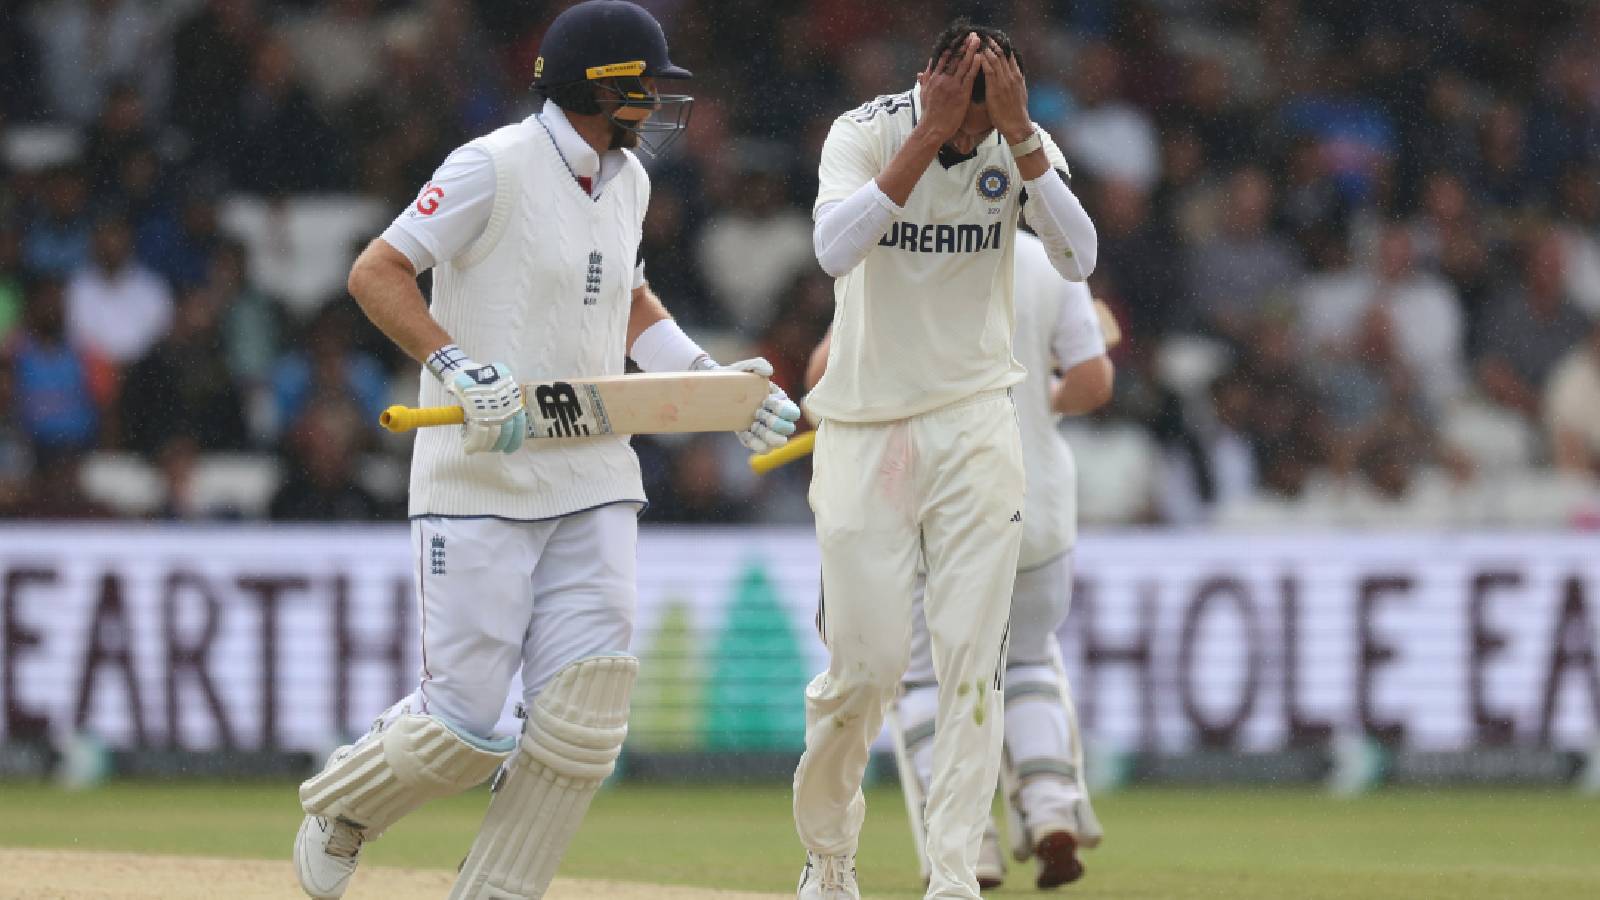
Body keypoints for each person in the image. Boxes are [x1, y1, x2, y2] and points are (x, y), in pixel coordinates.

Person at [290, 4, 799, 899]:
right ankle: (342, 805)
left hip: (596, 469)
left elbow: (630, 299)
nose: (658, 102)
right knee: (459, 728)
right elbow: (376, 270)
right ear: (603, 86)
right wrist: (454, 364)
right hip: (483, 472)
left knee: (586, 725)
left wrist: (716, 386)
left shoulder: (627, 178)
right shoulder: (491, 166)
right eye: (646, 83)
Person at [792, 19, 1097, 900]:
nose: (972, 137)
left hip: (973, 421)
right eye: (961, 116)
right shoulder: (866, 131)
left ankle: (956, 875)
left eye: (980, 120)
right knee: (867, 667)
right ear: (928, 82)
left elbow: (1078, 257)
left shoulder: (1018, 141)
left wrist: (1023, 138)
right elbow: (832, 250)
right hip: (865, 424)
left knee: (973, 660)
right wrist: (929, 136)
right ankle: (830, 855)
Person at [804, 228, 1114, 891]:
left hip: (929, 504)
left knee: (923, 682)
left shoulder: (892, 257)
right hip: (1036, 505)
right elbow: (1093, 380)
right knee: (1027, 658)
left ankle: (969, 845)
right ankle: (1052, 804)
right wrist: (1041, 403)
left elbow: (821, 378)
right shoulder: (1044, 258)